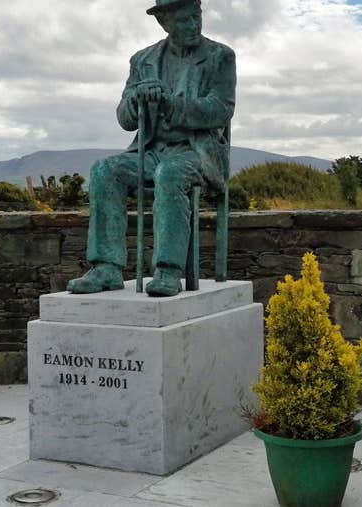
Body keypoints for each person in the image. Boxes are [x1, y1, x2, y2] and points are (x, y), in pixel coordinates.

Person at [67, 0, 236, 297]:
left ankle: (169, 271)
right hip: (152, 150)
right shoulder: (142, 60)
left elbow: (220, 109)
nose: (193, 25)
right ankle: (106, 267)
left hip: (197, 152)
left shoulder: (219, 56)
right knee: (105, 170)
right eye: (184, 20)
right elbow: (125, 119)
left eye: (196, 17)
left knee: (169, 173)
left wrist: (171, 103)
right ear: (165, 23)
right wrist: (137, 100)